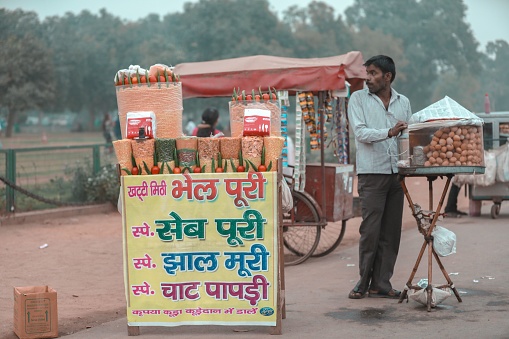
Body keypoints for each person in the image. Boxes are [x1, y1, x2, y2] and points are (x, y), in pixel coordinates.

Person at [347, 55, 412, 299]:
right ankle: (363, 282)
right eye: (368, 73)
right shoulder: (358, 99)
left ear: (388, 76)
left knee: (391, 233)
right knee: (370, 231)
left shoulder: (403, 102)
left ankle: (382, 283)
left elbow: (408, 135)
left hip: (397, 174)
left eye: (373, 73)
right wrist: (389, 132)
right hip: (371, 174)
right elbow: (361, 133)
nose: (368, 79)